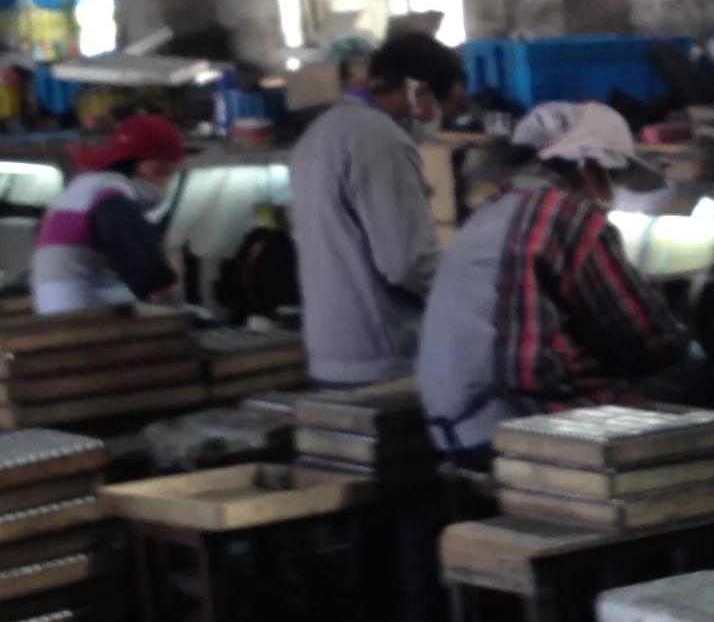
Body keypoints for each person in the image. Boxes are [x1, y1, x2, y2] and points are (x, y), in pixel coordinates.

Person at [418, 100, 688, 457]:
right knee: (691, 374)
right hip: (514, 420)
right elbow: (652, 340)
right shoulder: (565, 212)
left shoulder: (493, 208)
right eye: (613, 176)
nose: (613, 190)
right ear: (588, 168)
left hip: (455, 425)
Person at [291, 31, 465, 386]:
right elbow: (406, 262)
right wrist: (472, 292)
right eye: (441, 106)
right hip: (381, 354)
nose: (438, 119)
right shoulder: (382, 141)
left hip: (330, 349)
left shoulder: (321, 132)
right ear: (417, 92)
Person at [32, 112, 187, 314]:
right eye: (158, 171)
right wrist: (165, 292)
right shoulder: (110, 191)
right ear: (130, 163)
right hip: (85, 310)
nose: (163, 183)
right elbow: (132, 247)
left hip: (57, 306)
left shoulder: (85, 186)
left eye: (169, 175)